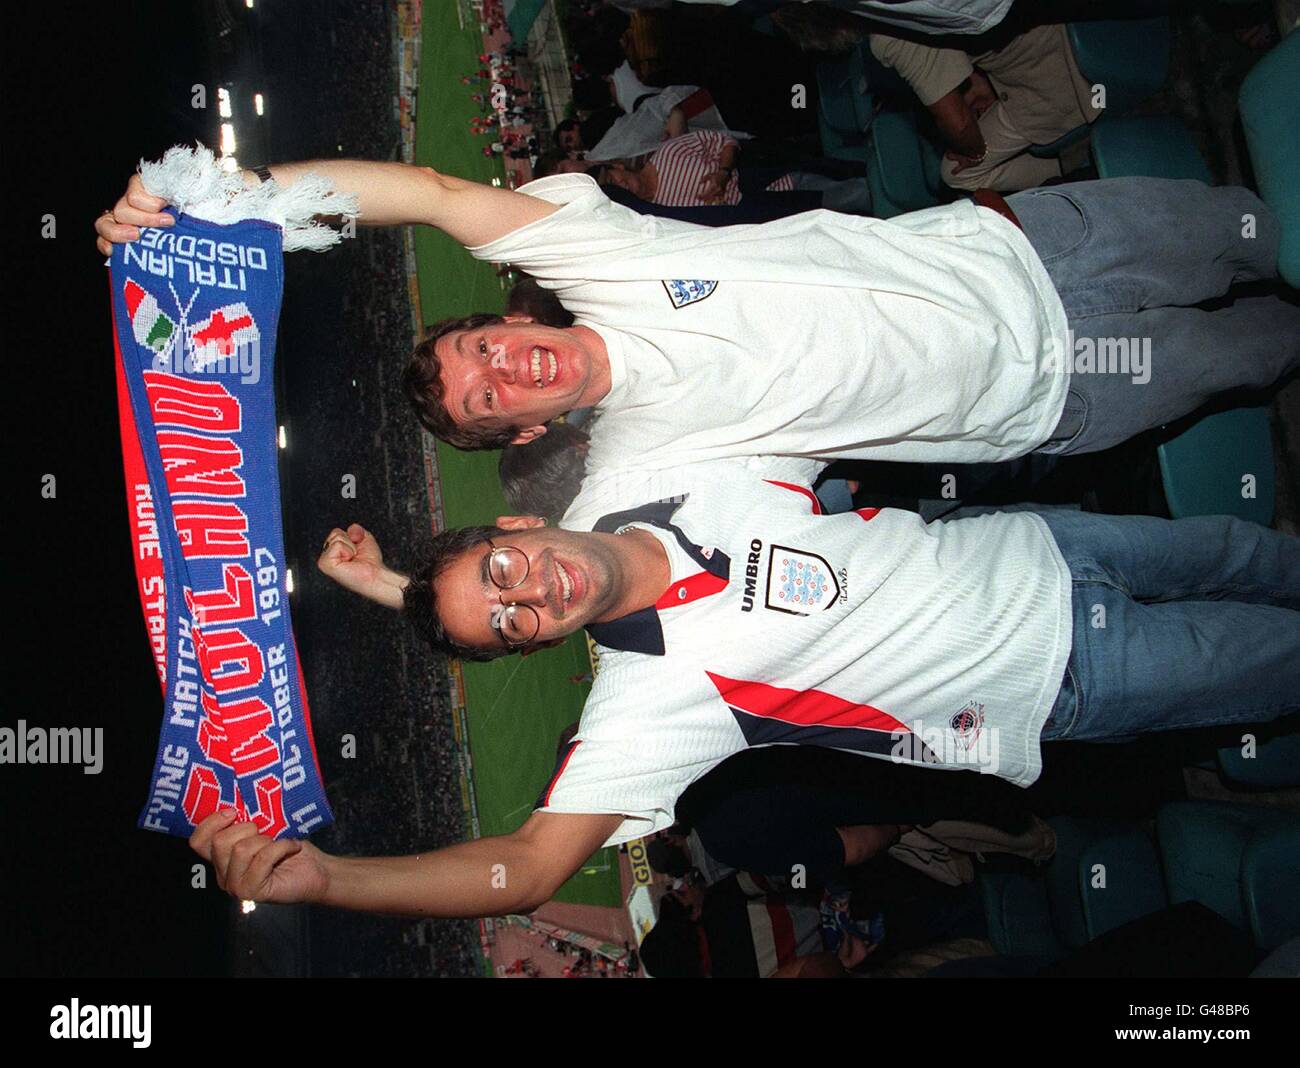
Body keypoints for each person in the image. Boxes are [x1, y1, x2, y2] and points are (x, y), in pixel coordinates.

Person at [197, 456, 1297, 920]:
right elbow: (524, 868)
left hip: (1043, 538)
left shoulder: (646, 470)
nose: (528, 590)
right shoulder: (652, 703)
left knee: (1256, 552)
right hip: (1065, 674)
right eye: (513, 621)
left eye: (502, 566)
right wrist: (331, 879)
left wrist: (394, 586)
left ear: (519, 522)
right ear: (533, 650)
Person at [96, 161, 1299, 478]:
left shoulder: (602, 262)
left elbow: (427, 197)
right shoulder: (646, 458)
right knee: (1265, 349)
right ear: (519, 434)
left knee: (1257, 223)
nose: (500, 367)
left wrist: (214, 205)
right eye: (486, 399)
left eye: (477, 347)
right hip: (1062, 390)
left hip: (1032, 245)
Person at [868, 22, 1103, 191]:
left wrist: (974, 151)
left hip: (1057, 67)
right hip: (1055, 22)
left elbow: (960, 126)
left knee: (955, 174)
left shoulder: (887, 30)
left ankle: (1075, 162)